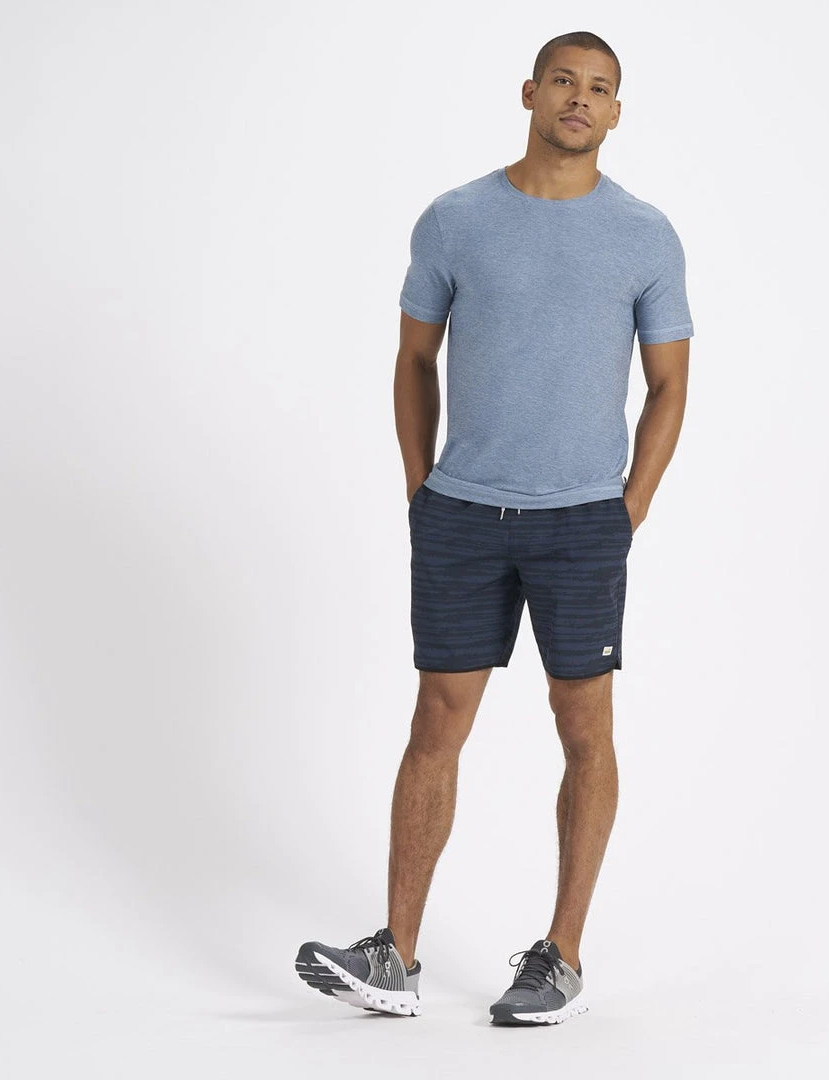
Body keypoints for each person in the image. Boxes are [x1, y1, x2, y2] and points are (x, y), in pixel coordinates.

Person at [296, 29, 692, 1026]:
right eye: (563, 80)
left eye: (598, 87)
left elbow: (670, 384)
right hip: (463, 513)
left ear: (616, 112)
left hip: (583, 521)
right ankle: (395, 955)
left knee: (584, 727)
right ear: (530, 92)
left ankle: (562, 958)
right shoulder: (456, 219)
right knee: (437, 720)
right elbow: (412, 359)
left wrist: (629, 507)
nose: (579, 97)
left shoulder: (645, 235)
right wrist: (419, 486)